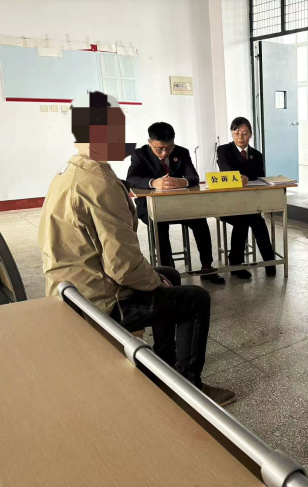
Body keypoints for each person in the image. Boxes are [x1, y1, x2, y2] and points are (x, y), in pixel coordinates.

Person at [38, 91, 235, 406]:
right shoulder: (98, 183)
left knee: (169, 272)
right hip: (98, 301)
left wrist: (158, 278)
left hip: (74, 286)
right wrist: (156, 282)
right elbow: (123, 267)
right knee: (195, 299)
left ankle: (162, 365)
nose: (123, 137)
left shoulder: (71, 170)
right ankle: (189, 389)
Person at [126, 122, 225, 284]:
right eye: (159, 149)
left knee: (200, 221)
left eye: (169, 148)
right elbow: (131, 179)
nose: (165, 152)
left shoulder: (182, 152)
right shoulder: (140, 154)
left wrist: (182, 182)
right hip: (151, 206)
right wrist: (153, 183)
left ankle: (207, 267)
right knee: (159, 226)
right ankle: (169, 273)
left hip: (180, 205)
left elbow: (193, 177)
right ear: (150, 142)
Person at [216, 117, 276, 279]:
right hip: (228, 204)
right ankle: (237, 264)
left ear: (250, 134)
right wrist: (239, 177)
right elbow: (225, 170)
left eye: (244, 133)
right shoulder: (224, 150)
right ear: (232, 134)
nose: (240, 137)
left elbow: (260, 178)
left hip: (249, 203)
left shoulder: (257, 155)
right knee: (245, 221)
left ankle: (268, 262)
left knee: (257, 221)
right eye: (236, 133)